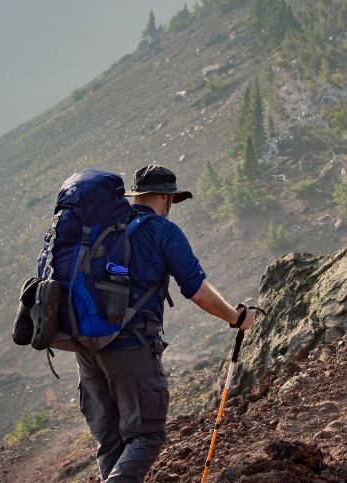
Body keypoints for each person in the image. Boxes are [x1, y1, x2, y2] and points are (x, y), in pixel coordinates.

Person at [77, 164, 255, 483]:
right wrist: (237, 317)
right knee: (147, 437)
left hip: (85, 347)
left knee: (112, 443)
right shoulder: (162, 231)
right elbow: (196, 291)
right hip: (129, 347)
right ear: (165, 197)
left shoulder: (102, 227)